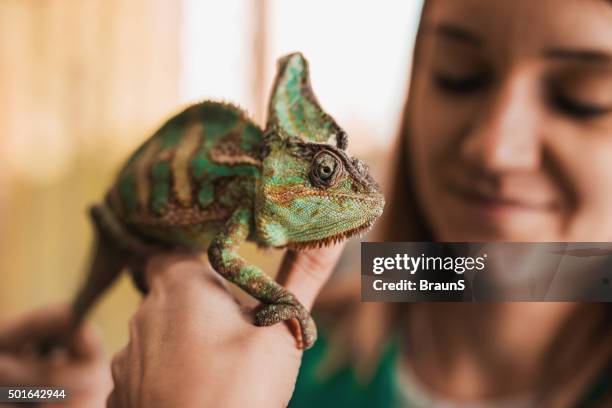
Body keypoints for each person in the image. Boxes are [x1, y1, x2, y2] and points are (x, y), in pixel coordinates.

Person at [1, 0, 611, 406]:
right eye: (457, 74)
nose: (494, 148)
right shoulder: (326, 327)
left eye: (584, 97)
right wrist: (62, 398)